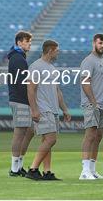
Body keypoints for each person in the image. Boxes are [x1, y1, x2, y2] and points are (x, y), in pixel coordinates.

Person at [25, 39, 71, 181]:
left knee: (47, 140)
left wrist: (65, 109)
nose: (58, 53)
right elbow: (31, 89)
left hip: (53, 109)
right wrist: (34, 110)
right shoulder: (36, 66)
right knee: (51, 139)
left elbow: (57, 91)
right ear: (50, 50)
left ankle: (47, 172)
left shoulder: (52, 68)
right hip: (43, 109)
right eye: (57, 50)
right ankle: (33, 169)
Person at [79, 33, 103, 180]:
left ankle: (92, 169)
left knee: (98, 136)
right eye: (100, 43)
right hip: (92, 104)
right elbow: (85, 82)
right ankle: (84, 171)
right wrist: (93, 101)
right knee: (90, 135)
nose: (102, 46)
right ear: (94, 43)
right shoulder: (88, 61)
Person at [7, 30, 34, 177]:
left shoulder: (18, 57)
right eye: (27, 41)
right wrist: (30, 98)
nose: (30, 44)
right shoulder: (17, 58)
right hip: (20, 100)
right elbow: (21, 83)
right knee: (19, 133)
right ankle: (14, 168)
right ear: (19, 42)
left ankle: (19, 165)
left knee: (28, 131)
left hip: (20, 99)